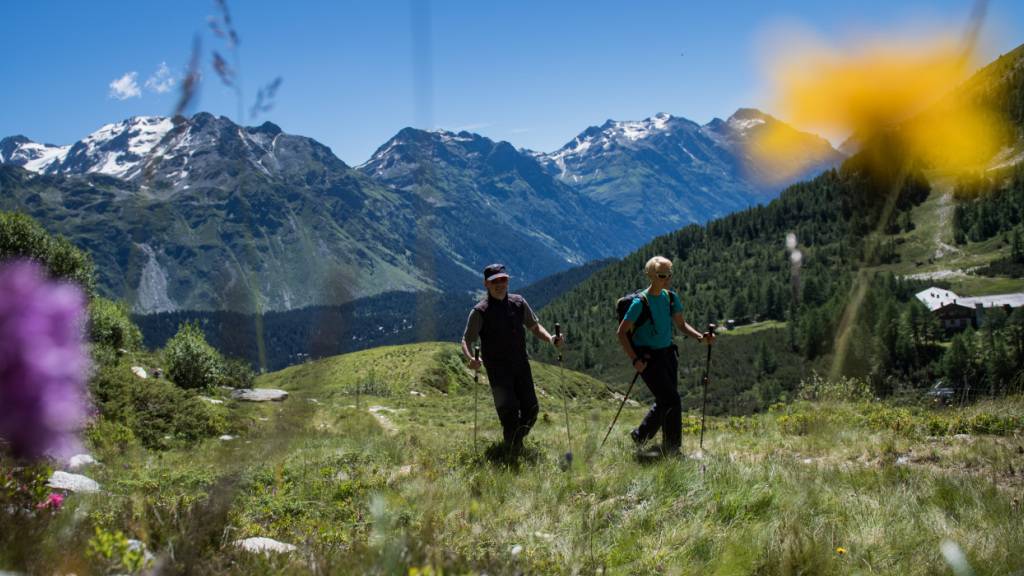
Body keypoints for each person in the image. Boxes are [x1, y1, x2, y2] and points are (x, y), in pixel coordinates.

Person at [616, 255, 714, 455]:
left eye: (669, 274)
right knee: (672, 400)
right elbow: (621, 332)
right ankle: (672, 448)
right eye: (662, 275)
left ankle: (642, 436)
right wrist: (635, 359)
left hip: (668, 355)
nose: (667, 279)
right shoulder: (640, 303)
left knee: (666, 400)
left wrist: (700, 337)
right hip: (648, 359)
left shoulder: (670, 298)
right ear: (650, 275)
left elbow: (681, 325)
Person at [462, 263, 563, 452]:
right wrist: (471, 359)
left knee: (531, 409)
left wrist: (551, 339)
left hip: (520, 365)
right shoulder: (480, 311)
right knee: (508, 411)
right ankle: (512, 449)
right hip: (497, 370)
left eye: (503, 280)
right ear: (486, 284)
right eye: (495, 281)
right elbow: (467, 340)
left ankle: (514, 441)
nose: (500, 284)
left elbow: (534, 327)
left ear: (508, 281)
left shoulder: (518, 303)